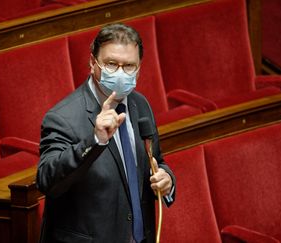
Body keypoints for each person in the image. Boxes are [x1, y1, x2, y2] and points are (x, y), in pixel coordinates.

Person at [36, 23, 176, 243]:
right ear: (93, 62)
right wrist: (95, 140)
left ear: (139, 69)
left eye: (129, 66)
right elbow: (48, 181)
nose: (120, 73)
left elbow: (155, 160)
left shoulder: (140, 104)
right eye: (111, 64)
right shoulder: (63, 117)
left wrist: (167, 179)